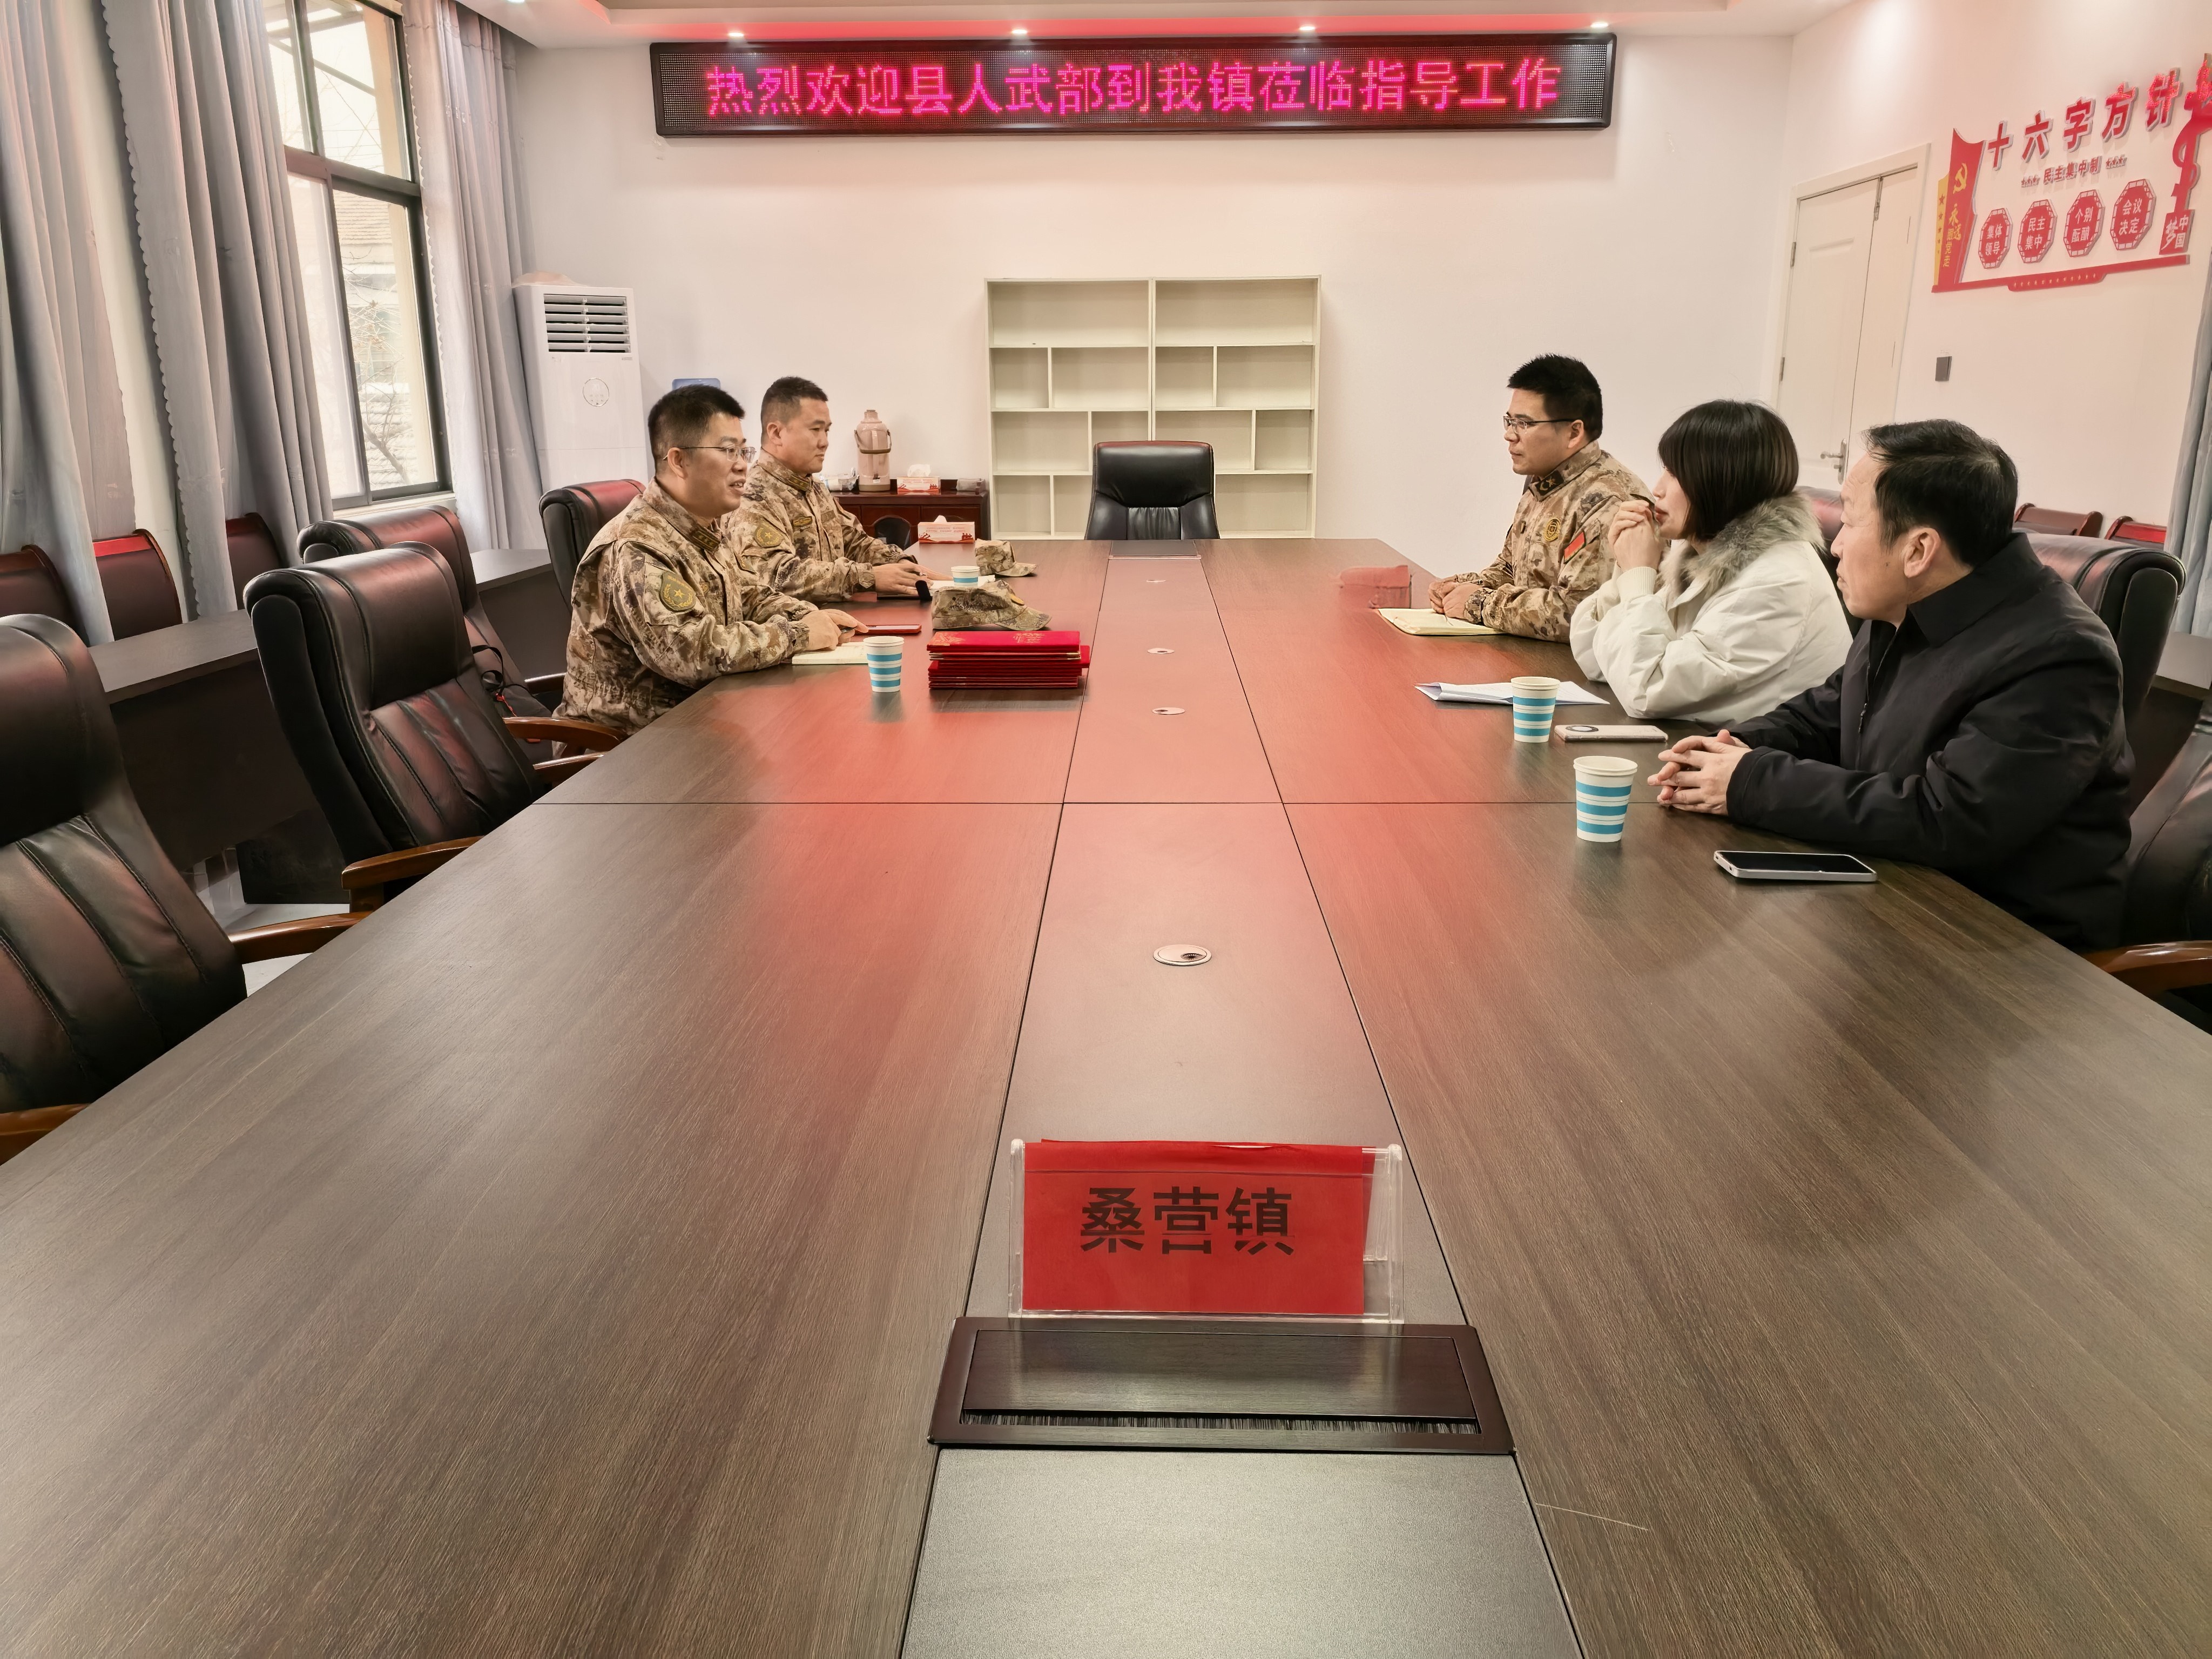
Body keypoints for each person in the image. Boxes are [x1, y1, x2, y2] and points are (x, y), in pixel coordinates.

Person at [1650, 419, 2130, 950]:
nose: (1835, 547)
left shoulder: (2057, 654)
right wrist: (1729, 748)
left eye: (1850, 524)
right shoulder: (1905, 604)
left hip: (2004, 950)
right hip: (1893, 896)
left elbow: (1950, 818)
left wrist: (1751, 782)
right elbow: (1827, 714)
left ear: (1918, 549)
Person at [559, 385, 857, 736]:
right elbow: (693, 653)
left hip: (701, 721)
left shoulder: (702, 525)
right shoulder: (635, 547)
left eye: (743, 451)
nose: (742, 465)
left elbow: (748, 594)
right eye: (728, 451)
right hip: (630, 747)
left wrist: (805, 614)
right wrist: (798, 635)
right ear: (679, 461)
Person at [1569, 400, 1850, 723]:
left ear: (1722, 482)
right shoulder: (1704, 555)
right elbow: (1595, 659)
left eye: (1675, 474)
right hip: (1710, 744)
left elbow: (1646, 691)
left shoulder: (1778, 580)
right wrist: (1626, 570)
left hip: (1762, 753)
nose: (1657, 489)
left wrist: (1638, 574)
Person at [1427, 355, 1651, 640]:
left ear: (1574, 433)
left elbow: (1574, 614)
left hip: (1577, 667)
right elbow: (1512, 569)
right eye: (1509, 421)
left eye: (1524, 423)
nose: (1510, 435)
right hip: (1531, 656)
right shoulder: (1544, 482)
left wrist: (1479, 604)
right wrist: (1462, 587)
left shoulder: (1610, 501)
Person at [726, 376, 946, 603]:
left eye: (826, 431)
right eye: (815, 430)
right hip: (798, 623)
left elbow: (853, 541)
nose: (824, 442)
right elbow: (777, 576)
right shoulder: (753, 497)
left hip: (836, 617)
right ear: (776, 433)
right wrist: (867, 577)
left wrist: (900, 563)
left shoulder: (813, 488)